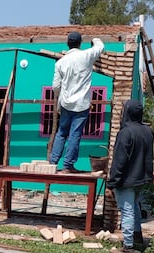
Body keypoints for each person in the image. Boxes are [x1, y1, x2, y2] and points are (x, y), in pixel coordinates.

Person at [49, 31, 105, 173]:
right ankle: (68, 166)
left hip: (66, 103)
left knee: (61, 133)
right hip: (81, 104)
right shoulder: (86, 55)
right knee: (75, 134)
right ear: (80, 44)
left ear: (68, 44)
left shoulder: (60, 62)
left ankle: (52, 163)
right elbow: (100, 47)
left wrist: (61, 97)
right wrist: (95, 38)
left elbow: (55, 86)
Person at [106, 99, 154, 253]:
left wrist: (112, 182)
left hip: (127, 179)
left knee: (126, 210)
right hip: (142, 178)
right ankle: (137, 235)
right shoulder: (148, 131)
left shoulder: (126, 133)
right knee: (135, 207)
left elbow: (119, 161)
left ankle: (127, 245)